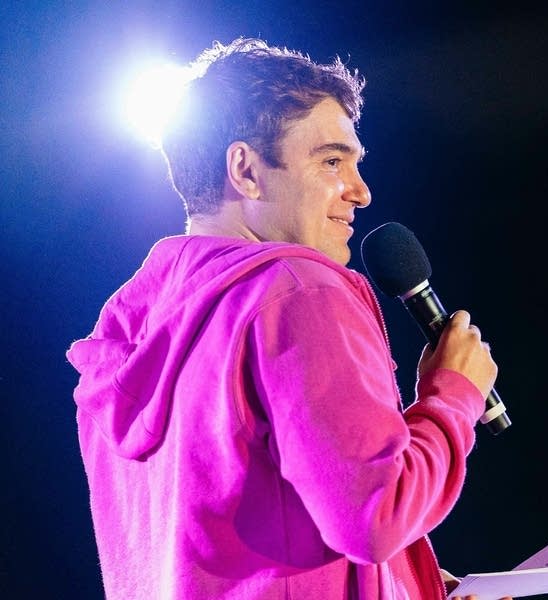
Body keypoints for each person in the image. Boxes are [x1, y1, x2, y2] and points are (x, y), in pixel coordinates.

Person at [66, 37, 511, 600]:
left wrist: (407, 585)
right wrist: (454, 397)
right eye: (331, 161)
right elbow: (376, 513)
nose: (361, 191)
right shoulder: (298, 291)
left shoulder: (129, 333)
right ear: (246, 170)